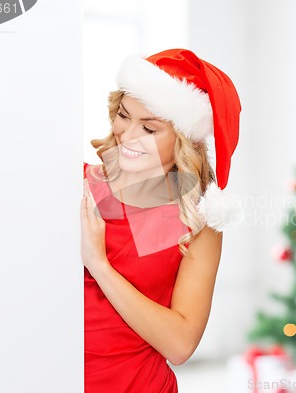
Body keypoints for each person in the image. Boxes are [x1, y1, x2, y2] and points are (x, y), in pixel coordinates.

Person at [80, 48, 244, 393]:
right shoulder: (78, 184)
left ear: (184, 139)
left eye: (149, 128)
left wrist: (99, 265)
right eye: (124, 116)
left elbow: (180, 345)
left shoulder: (197, 219)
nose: (127, 136)